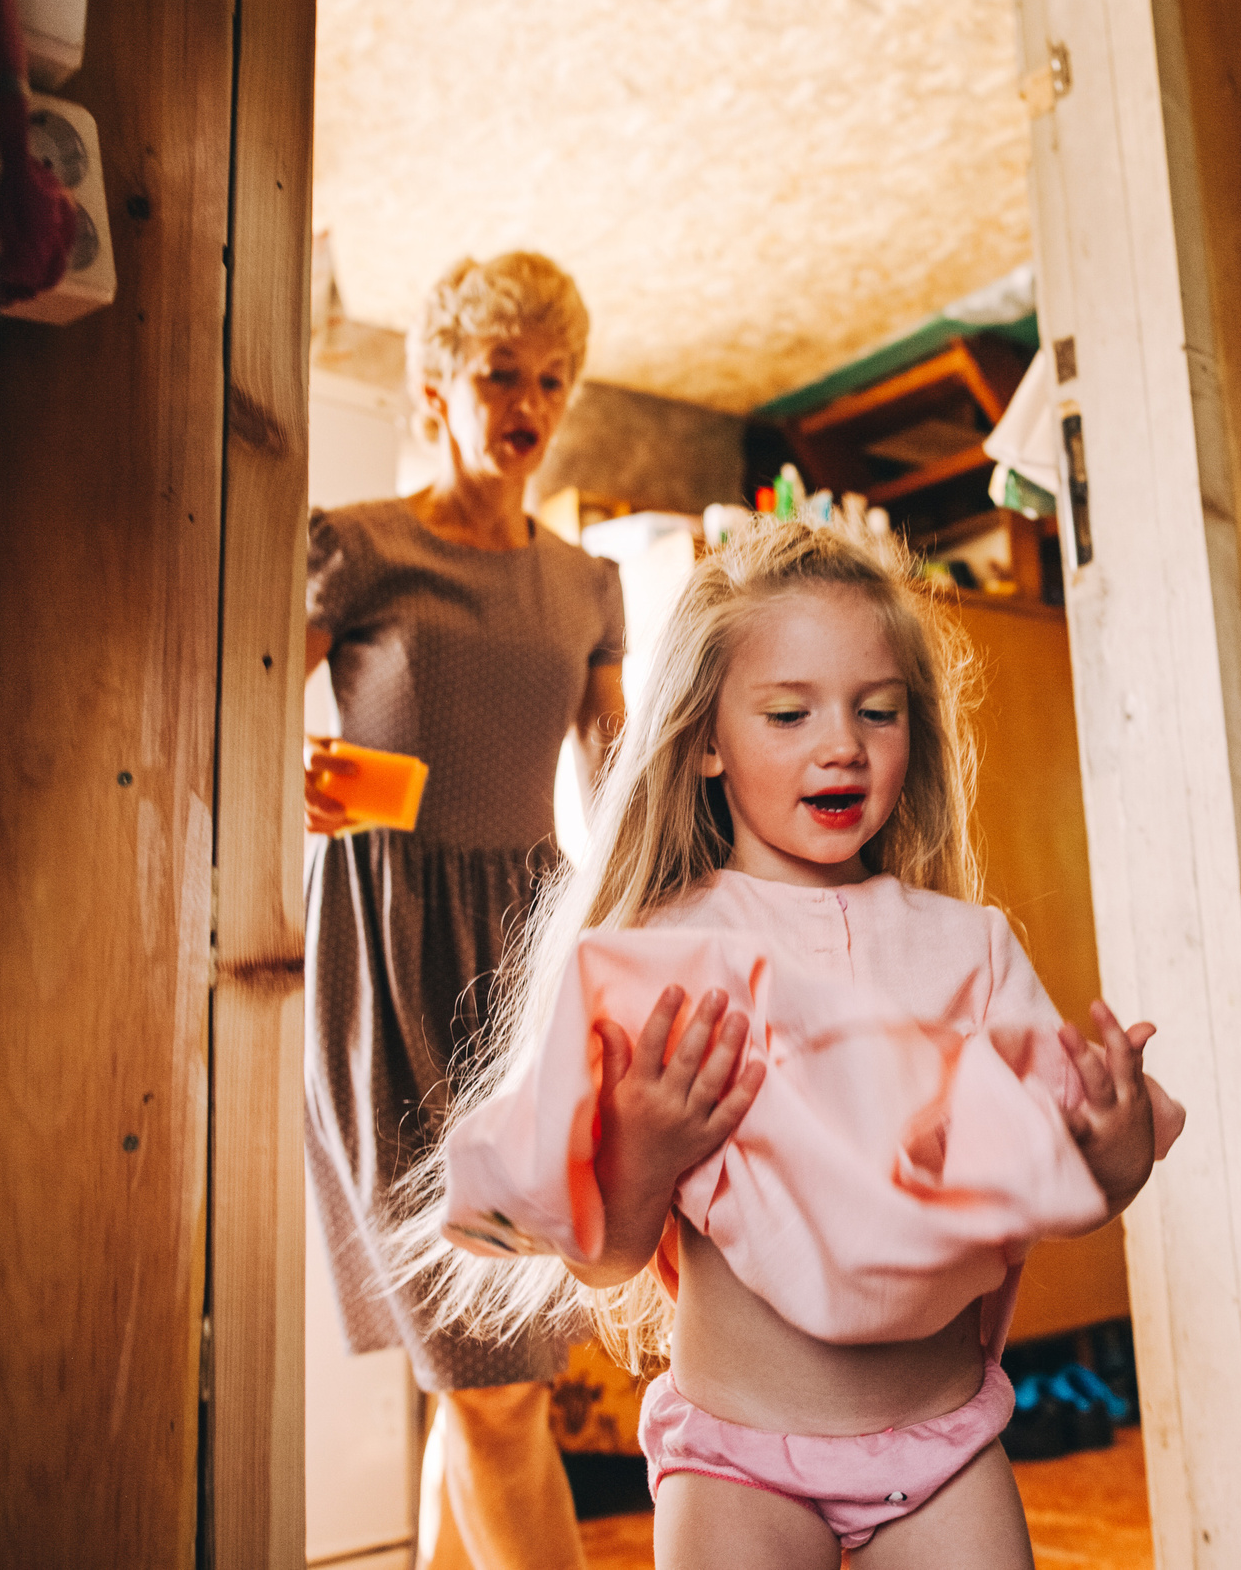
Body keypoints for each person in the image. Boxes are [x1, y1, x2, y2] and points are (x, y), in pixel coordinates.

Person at [407, 517, 1183, 1568]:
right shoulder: (655, 961)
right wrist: (644, 1149)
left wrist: (1114, 1151)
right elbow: (607, 1257)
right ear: (707, 740)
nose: (842, 744)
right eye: (789, 712)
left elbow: (1072, 1196)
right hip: (738, 1469)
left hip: (944, 1454)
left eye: (877, 711)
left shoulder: (970, 949)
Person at [303, 251, 621, 1570]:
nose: (528, 403)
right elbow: (237, 706)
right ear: (437, 387)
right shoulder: (355, 544)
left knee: (491, 1368)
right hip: (386, 963)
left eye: (551, 379)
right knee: (488, 1376)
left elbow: (619, 787)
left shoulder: (588, 584)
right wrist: (306, 782)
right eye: (501, 373)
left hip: (524, 985)